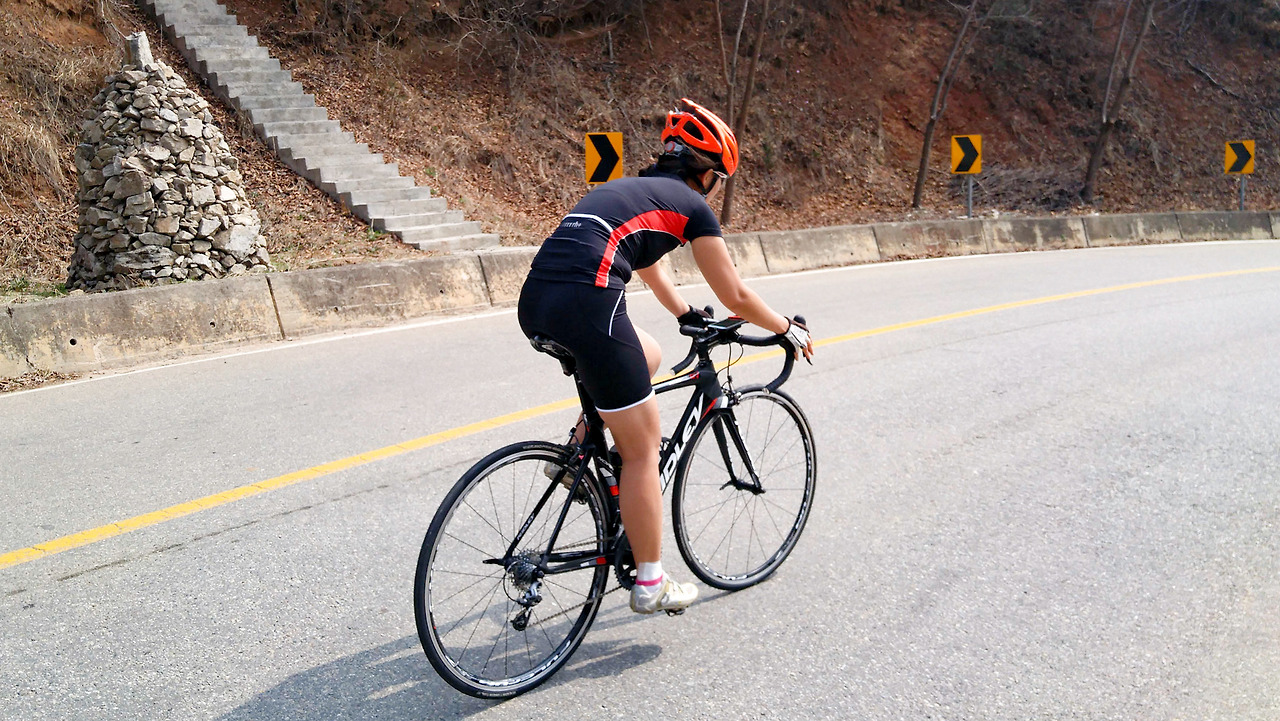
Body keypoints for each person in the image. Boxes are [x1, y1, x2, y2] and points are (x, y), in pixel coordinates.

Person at [517, 98, 814, 615]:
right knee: (641, 452)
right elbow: (735, 295)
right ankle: (651, 582)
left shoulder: (630, 190)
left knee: (646, 354)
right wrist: (786, 329)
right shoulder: (694, 209)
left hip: (536, 302)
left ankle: (577, 453)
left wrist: (682, 312)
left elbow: (647, 261)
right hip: (588, 302)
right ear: (709, 174)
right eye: (720, 178)